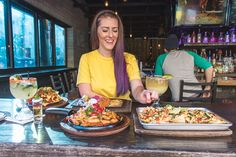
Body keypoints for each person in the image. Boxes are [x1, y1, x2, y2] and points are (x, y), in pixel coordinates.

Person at [77, 10, 158, 104]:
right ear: (96, 32)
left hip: (124, 112)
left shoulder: (129, 59)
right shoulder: (86, 58)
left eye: (115, 30)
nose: (111, 35)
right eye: (105, 30)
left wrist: (142, 93)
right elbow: (85, 93)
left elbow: (136, 88)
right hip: (96, 113)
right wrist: (110, 103)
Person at [154, 34, 213, 101]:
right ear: (177, 48)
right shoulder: (190, 54)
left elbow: (157, 80)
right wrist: (208, 86)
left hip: (178, 101)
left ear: (165, 50)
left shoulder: (161, 58)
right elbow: (209, 67)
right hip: (198, 96)